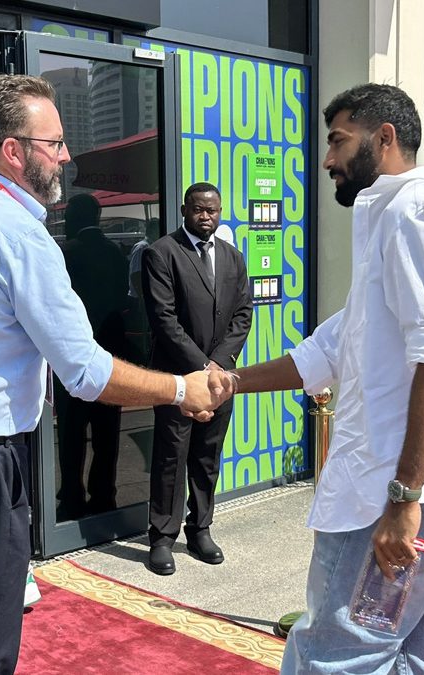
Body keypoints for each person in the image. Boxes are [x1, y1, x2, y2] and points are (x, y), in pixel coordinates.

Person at [0, 74, 230, 675]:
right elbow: (86, 373)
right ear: (14, 151)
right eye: (56, 143)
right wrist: (180, 389)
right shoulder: (20, 233)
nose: (67, 157)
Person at [222, 84, 424, 673]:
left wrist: (404, 499)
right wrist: (226, 383)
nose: (327, 160)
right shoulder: (390, 222)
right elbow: (328, 352)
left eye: (338, 142)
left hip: (389, 499)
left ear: (386, 138)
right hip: (412, 495)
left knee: (334, 655)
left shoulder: (415, 216)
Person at [141, 182, 252, 575]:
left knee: (208, 456)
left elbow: (242, 315)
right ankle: (162, 537)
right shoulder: (162, 254)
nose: (206, 216)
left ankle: (200, 528)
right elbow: (164, 320)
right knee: (171, 457)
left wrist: (219, 366)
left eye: (213, 210)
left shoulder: (233, 258)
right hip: (176, 376)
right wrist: (202, 369)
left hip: (220, 378)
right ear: (185, 210)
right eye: (199, 210)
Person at [56, 193, 130, 518]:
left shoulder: (66, 253)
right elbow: (121, 299)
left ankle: (72, 495)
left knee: (72, 434)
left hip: (73, 357)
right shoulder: (115, 253)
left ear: (75, 218)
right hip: (109, 354)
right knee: (106, 433)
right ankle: (104, 494)